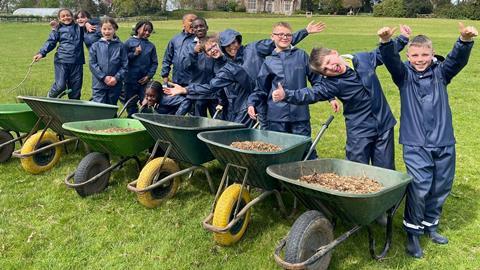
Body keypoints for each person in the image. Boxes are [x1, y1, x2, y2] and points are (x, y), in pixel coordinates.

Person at [378, 23, 477, 258]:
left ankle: (431, 225)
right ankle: (413, 233)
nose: (420, 59)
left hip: (444, 141)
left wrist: (463, 41)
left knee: (441, 186)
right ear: (408, 56)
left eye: (424, 54)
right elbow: (391, 61)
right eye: (415, 55)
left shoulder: (441, 73)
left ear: (432, 54)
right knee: (420, 188)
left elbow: (456, 60)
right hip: (416, 143)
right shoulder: (403, 76)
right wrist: (385, 43)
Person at [271, 25, 412, 169]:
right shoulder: (331, 84)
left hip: (384, 125)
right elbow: (310, 93)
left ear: (334, 53)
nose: (330, 68)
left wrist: (401, 39)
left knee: (385, 169)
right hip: (359, 130)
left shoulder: (362, 59)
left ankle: (387, 192)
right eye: (325, 69)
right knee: (356, 171)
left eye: (328, 62)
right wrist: (286, 94)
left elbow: (382, 54)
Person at [247, 22, 323, 159]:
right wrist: (251, 103)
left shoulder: (302, 55)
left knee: (304, 149)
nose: (284, 37)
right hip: (277, 116)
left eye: (288, 34)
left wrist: (330, 98)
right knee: (278, 150)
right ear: (272, 37)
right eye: (280, 34)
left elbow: (317, 80)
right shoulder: (269, 61)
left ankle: (307, 175)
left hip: (300, 114)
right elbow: (261, 89)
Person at [33, 8, 85, 99]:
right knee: (60, 86)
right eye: (63, 16)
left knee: (75, 91)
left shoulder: (80, 27)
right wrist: (41, 53)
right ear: (59, 19)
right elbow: (51, 42)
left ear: (72, 17)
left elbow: (96, 23)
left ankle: (73, 111)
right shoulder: (58, 29)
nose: (66, 18)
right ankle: (49, 98)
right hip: (62, 61)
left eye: (68, 15)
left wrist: (87, 23)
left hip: (77, 62)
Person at [89, 17, 128, 105]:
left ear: (115, 29)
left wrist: (116, 78)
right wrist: (103, 77)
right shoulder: (95, 46)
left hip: (115, 84)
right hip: (99, 84)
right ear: (100, 29)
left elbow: (125, 65)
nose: (107, 32)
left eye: (110, 29)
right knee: (99, 107)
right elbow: (92, 64)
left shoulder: (121, 46)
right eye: (104, 29)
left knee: (111, 107)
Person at [123, 20, 158, 117]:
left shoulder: (151, 46)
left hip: (144, 82)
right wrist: (134, 54)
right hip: (130, 80)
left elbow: (154, 63)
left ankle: (145, 121)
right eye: (145, 30)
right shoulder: (128, 43)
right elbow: (123, 60)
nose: (147, 33)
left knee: (147, 103)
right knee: (130, 103)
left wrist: (148, 76)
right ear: (138, 29)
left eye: (149, 31)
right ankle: (132, 119)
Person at [160, 13, 197, 87]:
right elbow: (167, 59)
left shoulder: (199, 40)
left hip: (193, 83)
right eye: (191, 21)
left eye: (196, 21)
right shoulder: (175, 39)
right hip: (176, 81)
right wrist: (165, 76)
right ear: (183, 23)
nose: (194, 24)